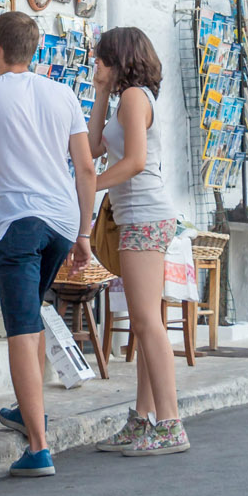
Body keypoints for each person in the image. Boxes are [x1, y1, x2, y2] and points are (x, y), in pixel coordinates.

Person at [0, 10, 96, 479]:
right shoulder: (64, 94)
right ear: (34, 49)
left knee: (20, 327)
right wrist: (84, 233)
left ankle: (39, 447)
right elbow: (86, 169)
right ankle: (26, 409)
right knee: (34, 315)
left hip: (18, 223)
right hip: (61, 222)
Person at [88, 26, 190, 457]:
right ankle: (142, 418)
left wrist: (88, 186)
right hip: (137, 217)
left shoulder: (134, 98)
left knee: (147, 322)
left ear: (119, 58)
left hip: (144, 217)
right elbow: (94, 146)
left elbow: (134, 162)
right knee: (149, 322)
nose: (96, 65)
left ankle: (170, 423)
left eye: (101, 59)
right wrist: (98, 92)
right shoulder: (122, 98)